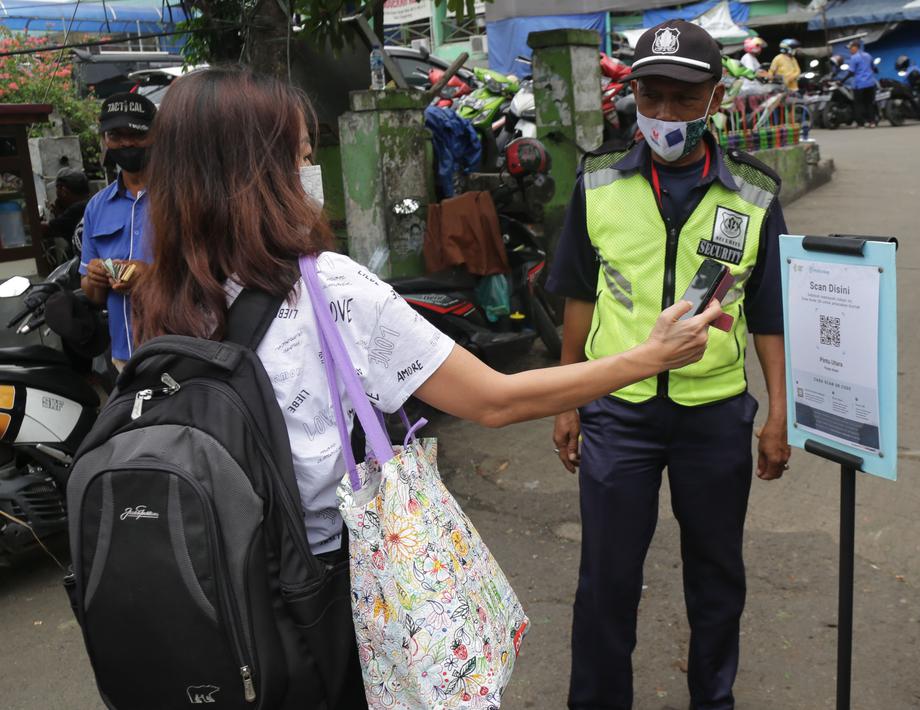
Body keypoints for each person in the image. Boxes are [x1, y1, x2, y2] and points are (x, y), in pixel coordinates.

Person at [133, 66, 725, 708]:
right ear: (264, 174)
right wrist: (648, 357)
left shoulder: (160, 295)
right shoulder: (327, 286)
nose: (311, 172)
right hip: (321, 593)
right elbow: (495, 400)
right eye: (303, 156)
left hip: (217, 591)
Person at [546, 19, 791, 710]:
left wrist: (776, 412)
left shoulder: (752, 193)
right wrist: (567, 398)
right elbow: (576, 295)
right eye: (649, 96)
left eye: (682, 99)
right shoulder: (596, 183)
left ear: (715, 99)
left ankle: (712, 699)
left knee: (715, 577)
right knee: (605, 579)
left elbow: (768, 312)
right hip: (616, 413)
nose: (662, 114)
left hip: (713, 417)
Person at [79, 92, 157, 368]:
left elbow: (212, 273)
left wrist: (151, 275)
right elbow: (92, 293)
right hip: (123, 357)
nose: (126, 143)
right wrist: (94, 277)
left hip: (178, 350)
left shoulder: (183, 198)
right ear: (105, 140)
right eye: (115, 135)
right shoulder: (97, 207)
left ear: (156, 134)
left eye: (135, 133)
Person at [40, 168, 89, 254]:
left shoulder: (77, 209)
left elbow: (44, 230)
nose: (56, 195)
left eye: (57, 189)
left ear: (63, 191)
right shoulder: (90, 204)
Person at [848, 40, 879, 128]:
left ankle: (861, 123)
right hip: (870, 83)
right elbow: (874, 68)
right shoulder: (868, 55)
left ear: (855, 47)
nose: (850, 50)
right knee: (869, 103)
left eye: (851, 48)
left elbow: (851, 72)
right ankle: (872, 122)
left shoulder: (854, 58)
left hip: (859, 84)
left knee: (858, 103)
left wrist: (842, 80)